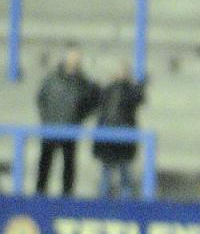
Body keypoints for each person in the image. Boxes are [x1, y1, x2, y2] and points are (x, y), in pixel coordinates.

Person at [35, 46, 100, 197]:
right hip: (50, 127)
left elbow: (93, 101)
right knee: (45, 164)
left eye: (76, 56)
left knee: (69, 166)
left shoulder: (83, 82)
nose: (74, 59)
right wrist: (46, 118)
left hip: (70, 128)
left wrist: (78, 118)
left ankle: (67, 199)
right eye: (72, 55)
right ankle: (39, 197)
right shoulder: (52, 78)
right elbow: (41, 98)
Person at [93, 61, 146, 199]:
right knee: (106, 174)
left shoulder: (130, 91)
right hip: (108, 138)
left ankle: (125, 205)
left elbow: (139, 99)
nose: (122, 74)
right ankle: (101, 205)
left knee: (125, 173)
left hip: (124, 139)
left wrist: (140, 86)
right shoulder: (107, 90)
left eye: (125, 71)